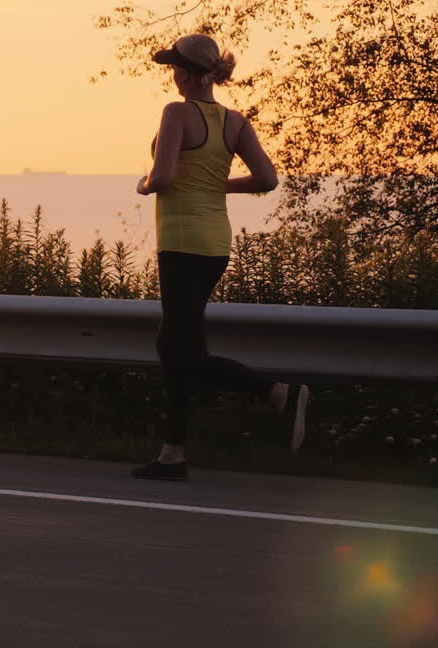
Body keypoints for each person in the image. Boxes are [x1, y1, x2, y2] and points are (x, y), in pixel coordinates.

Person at [131, 33, 309, 481]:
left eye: (175, 68)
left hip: (182, 243)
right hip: (215, 246)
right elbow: (266, 179)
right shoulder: (235, 122)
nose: (173, 76)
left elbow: (163, 177)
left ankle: (277, 392)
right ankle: (173, 454)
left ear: (188, 74)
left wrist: (145, 184)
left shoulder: (176, 113)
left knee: (182, 351)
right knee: (173, 345)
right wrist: (219, 184)